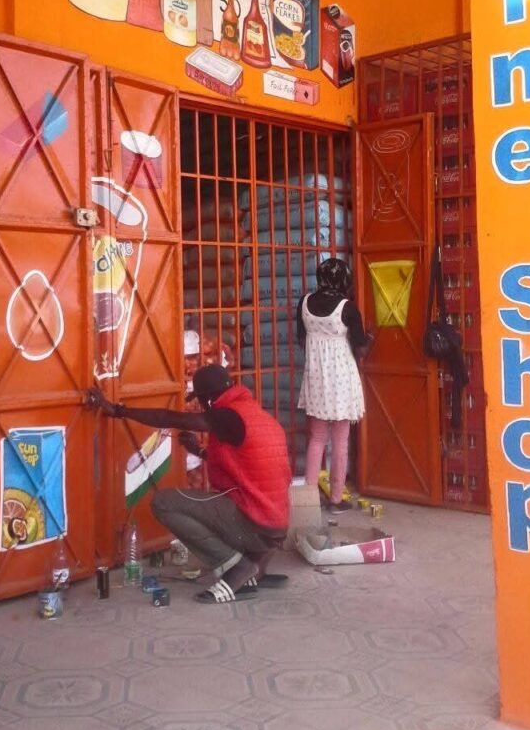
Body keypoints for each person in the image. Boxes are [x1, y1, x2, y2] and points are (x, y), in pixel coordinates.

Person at [86, 364, 292, 604]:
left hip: (256, 523)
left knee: (163, 502)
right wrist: (199, 451)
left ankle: (237, 567)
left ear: (209, 399)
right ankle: (254, 567)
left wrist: (118, 410)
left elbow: (169, 418)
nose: (202, 407)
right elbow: (247, 465)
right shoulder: (257, 415)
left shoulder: (229, 415)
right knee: (221, 503)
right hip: (275, 526)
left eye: (201, 401)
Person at [297, 257, 373, 511]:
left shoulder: (304, 303)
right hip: (341, 378)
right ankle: (336, 499)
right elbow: (361, 350)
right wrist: (370, 337)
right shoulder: (347, 308)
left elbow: (302, 341)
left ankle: (308, 500)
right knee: (340, 440)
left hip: (316, 376)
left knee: (317, 438)